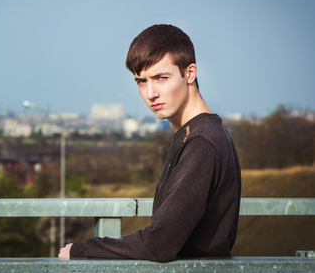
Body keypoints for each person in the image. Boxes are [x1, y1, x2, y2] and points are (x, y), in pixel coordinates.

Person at [59, 24, 241, 262]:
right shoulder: (198, 134)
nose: (150, 93)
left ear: (190, 73)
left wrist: (83, 250)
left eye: (161, 78)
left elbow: (159, 244)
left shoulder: (201, 142)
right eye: (141, 81)